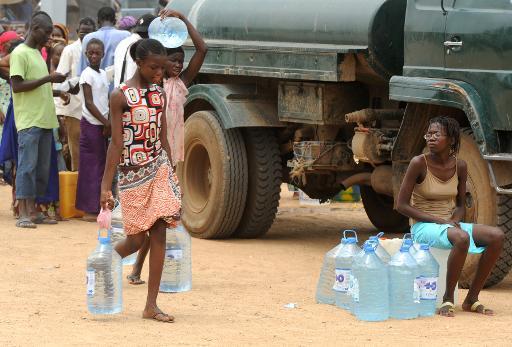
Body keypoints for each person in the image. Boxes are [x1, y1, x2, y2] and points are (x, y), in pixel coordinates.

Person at [100, 38, 181, 322]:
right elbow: (115, 144)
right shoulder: (120, 96)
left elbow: (162, 136)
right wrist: (105, 186)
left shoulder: (160, 94)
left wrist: (170, 168)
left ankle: (151, 305)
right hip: (132, 174)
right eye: (154, 67)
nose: (159, 72)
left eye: (163, 67)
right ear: (139, 63)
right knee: (135, 240)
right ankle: (105, 261)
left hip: (157, 168)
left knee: (160, 230)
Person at [126, 9, 207, 285]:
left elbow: (202, 48)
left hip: (169, 159)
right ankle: (133, 266)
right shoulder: (150, 90)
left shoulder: (181, 85)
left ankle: (137, 269)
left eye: (181, 61)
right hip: (148, 158)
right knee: (152, 220)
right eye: (173, 60)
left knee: (158, 219)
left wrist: (183, 20)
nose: (177, 65)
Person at [396, 116, 504, 317]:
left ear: (452, 140)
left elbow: (461, 205)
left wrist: (454, 219)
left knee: (496, 235)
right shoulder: (418, 163)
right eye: (428, 134)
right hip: (423, 226)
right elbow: (401, 205)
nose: (430, 138)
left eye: (437, 134)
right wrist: (442, 222)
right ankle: (447, 299)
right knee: (461, 238)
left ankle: (472, 298)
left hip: (449, 224)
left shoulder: (460, 166)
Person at [9, 11, 67, 228]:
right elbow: (17, 86)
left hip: (44, 120)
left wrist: (58, 92)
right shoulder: (20, 53)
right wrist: (48, 78)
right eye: (47, 33)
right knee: (27, 167)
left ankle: (33, 211)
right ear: (35, 29)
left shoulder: (38, 54)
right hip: (29, 121)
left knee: (41, 169)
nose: (49, 37)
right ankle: (23, 213)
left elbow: (38, 88)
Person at [55, 17, 96, 171]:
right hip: (74, 108)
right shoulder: (70, 50)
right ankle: (77, 189)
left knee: (94, 151)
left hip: (95, 109)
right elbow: (60, 77)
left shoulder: (98, 49)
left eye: (89, 33)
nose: (85, 36)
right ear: (77, 32)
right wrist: (59, 110)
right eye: (82, 33)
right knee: (76, 152)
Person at [76, 38, 110, 221]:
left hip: (102, 123)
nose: (94, 56)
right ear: (86, 54)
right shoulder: (86, 74)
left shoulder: (103, 74)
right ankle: (89, 209)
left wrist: (107, 121)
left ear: (103, 54)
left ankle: (97, 206)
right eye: (91, 53)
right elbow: (89, 103)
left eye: (98, 53)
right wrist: (106, 122)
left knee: (100, 166)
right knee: (92, 167)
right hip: (92, 124)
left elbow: (104, 99)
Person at [78, 7, 130, 77]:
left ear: (98, 21)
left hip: (93, 85)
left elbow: (82, 69)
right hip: (119, 86)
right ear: (115, 21)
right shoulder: (126, 36)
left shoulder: (87, 38)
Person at [113, 13, 156, 89]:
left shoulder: (123, 43)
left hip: (119, 92)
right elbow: (132, 74)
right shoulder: (140, 47)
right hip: (132, 94)